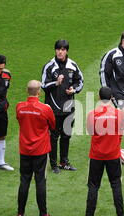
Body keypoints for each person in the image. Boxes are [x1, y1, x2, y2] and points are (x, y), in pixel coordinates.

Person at [80, 87, 124, 216]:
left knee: (93, 186)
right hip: (113, 154)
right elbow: (121, 132)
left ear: (98, 97)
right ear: (112, 97)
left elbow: (90, 132)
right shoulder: (119, 114)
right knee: (116, 184)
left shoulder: (92, 114)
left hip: (96, 155)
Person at [16, 80, 57, 216]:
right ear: (39, 92)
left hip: (25, 149)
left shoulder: (19, 107)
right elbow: (53, 125)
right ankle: (43, 214)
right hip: (40, 150)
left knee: (24, 180)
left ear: (27, 91)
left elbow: (20, 121)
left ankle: (20, 213)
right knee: (40, 181)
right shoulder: (45, 109)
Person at [41, 40, 83, 173]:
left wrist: (74, 90)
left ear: (67, 51)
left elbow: (80, 81)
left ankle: (64, 162)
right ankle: (53, 165)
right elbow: (43, 85)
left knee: (66, 135)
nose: (60, 51)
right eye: (58, 49)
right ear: (55, 50)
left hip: (68, 107)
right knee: (53, 137)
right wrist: (56, 83)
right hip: (53, 109)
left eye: (63, 49)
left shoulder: (73, 65)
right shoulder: (49, 66)